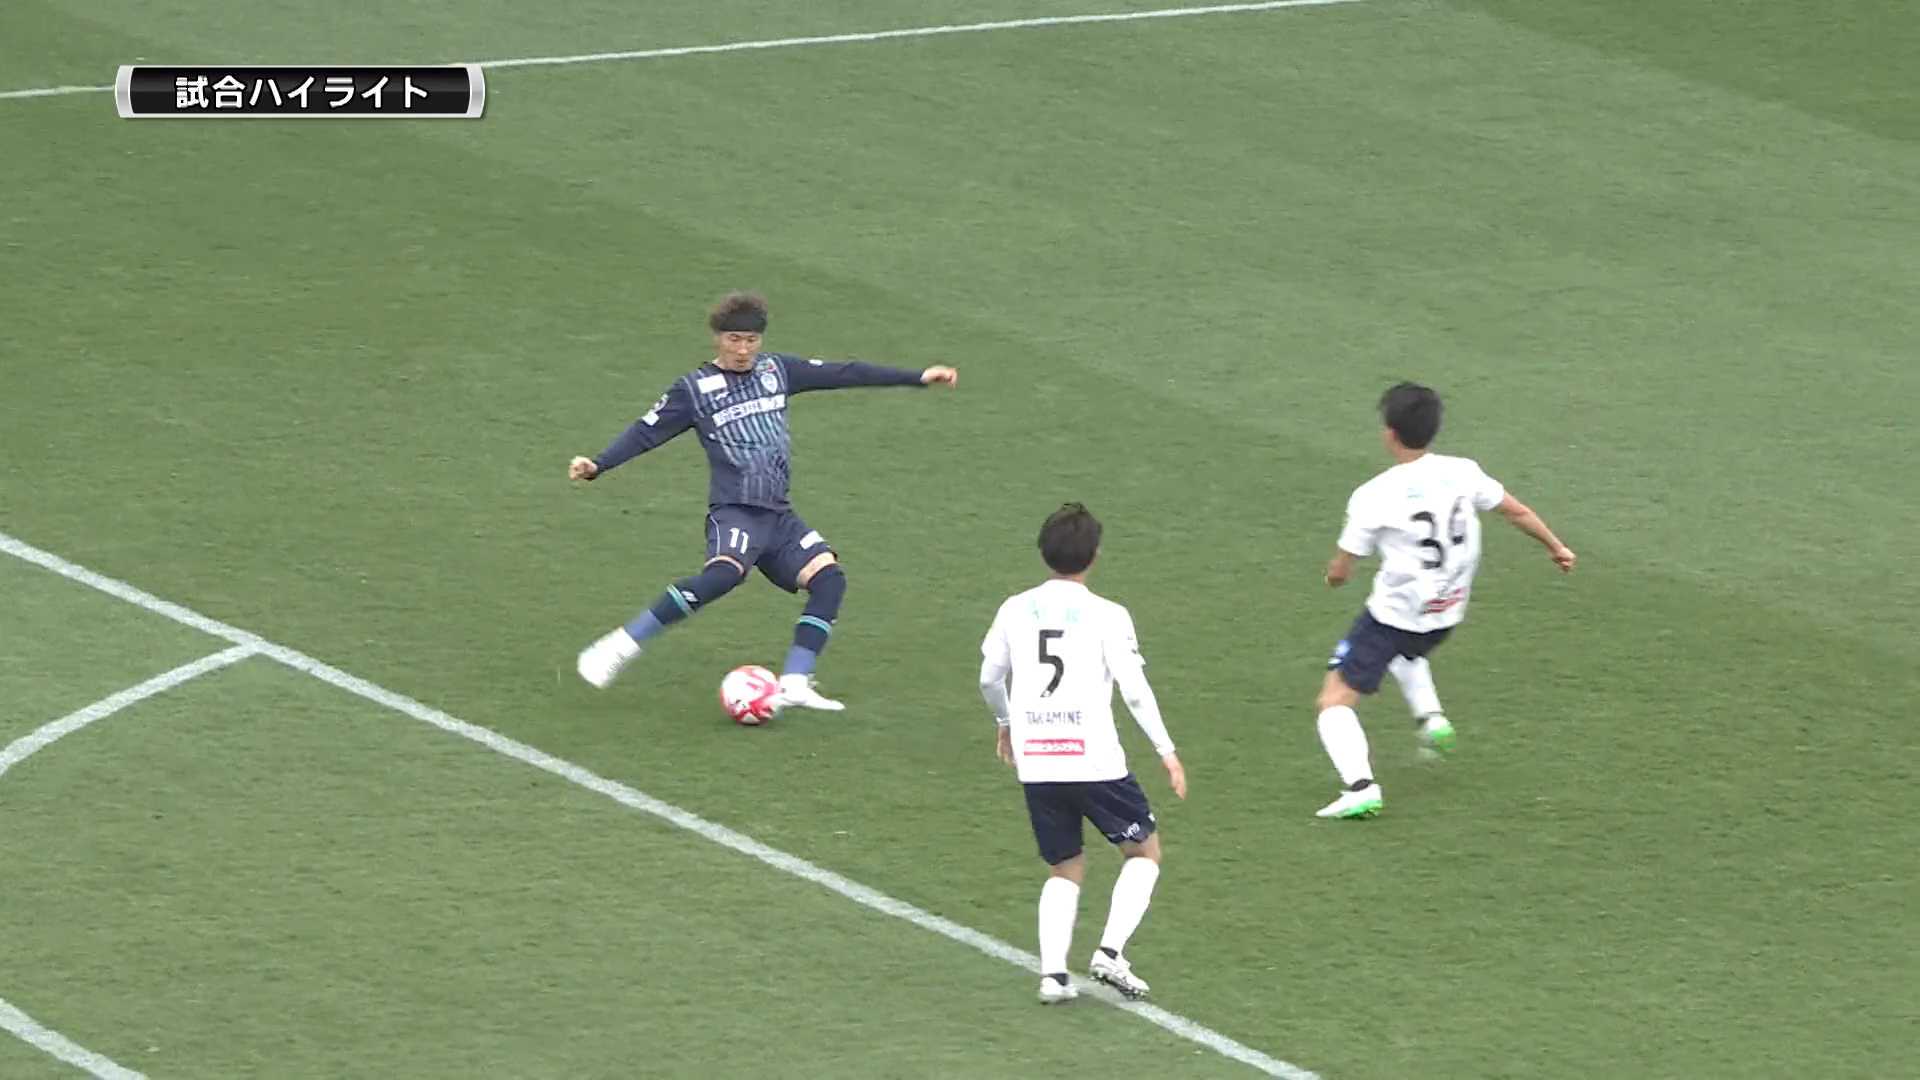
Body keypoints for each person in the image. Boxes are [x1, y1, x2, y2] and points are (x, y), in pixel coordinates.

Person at [570, 291, 958, 711]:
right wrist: (599, 464)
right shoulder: (694, 389)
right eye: (734, 339)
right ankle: (619, 646)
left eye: (751, 340)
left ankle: (794, 682)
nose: (743, 350)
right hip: (735, 511)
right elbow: (647, 431)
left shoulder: (777, 371)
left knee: (829, 580)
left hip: (778, 515)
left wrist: (918, 377)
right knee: (722, 577)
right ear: (717, 337)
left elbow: (844, 372)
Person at [1315, 382, 1576, 819]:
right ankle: (1431, 719)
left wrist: (1331, 578)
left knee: (1333, 701)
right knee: (1407, 650)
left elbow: (1342, 570)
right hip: (1447, 612)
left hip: (1395, 616)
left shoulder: (1374, 494)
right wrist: (1557, 547)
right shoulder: (1463, 472)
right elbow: (1515, 510)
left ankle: (1360, 787)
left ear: (1389, 433)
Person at [979, 503, 1187, 1003]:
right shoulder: (1107, 615)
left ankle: (1053, 977)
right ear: (1094, 555)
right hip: (1093, 756)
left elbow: (988, 678)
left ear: (1043, 552)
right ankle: (1110, 953)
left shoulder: (1014, 608)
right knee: (1144, 852)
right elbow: (1134, 691)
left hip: (1037, 756)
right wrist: (1166, 750)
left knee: (1064, 866)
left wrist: (1006, 723)